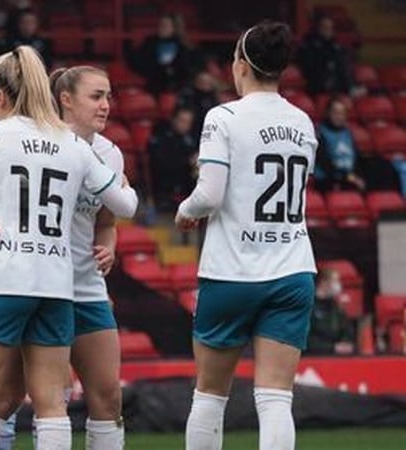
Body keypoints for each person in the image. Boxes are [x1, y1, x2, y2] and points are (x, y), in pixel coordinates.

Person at [0, 45, 138, 450]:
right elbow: (125, 205)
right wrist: (124, 190)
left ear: (1, 96)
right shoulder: (73, 144)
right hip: (57, 284)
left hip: (4, 279)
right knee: (50, 403)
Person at [174, 21, 318, 450]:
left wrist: (185, 211)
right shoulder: (304, 121)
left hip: (232, 271)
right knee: (275, 398)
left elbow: (210, 194)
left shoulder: (223, 117)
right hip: (292, 270)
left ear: (239, 64)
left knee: (210, 395)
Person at [126, 13, 199, 94]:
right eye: (160, 25)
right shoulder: (150, 43)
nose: (161, 28)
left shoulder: (184, 46)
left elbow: (190, 68)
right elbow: (137, 61)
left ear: (174, 28)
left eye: (165, 25)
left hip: (178, 85)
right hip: (154, 82)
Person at [148, 106, 198, 212]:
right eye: (182, 121)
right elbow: (161, 165)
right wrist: (187, 162)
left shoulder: (189, 139)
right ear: (174, 119)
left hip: (187, 185)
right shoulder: (161, 136)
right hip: (165, 187)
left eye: (188, 122)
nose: (186, 126)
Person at [314, 97, 365, 192]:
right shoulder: (320, 133)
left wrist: (356, 175)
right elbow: (323, 162)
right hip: (328, 180)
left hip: (349, 178)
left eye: (342, 113)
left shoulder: (347, 133)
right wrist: (345, 176)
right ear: (328, 113)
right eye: (335, 113)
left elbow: (356, 158)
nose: (339, 116)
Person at [296, 15, 353, 95]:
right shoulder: (308, 46)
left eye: (330, 28)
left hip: (338, 88)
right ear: (318, 28)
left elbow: (342, 68)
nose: (328, 30)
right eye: (325, 27)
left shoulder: (337, 47)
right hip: (316, 87)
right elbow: (310, 68)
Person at [307, 269, 356, 355]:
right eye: (335, 281)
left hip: (335, 358)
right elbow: (308, 339)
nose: (338, 285)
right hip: (313, 357)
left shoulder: (336, 306)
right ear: (324, 282)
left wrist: (345, 343)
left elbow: (346, 330)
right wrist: (332, 347)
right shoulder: (309, 306)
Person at [177, 71, 220, 137]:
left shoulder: (213, 98)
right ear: (196, 82)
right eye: (202, 82)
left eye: (208, 83)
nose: (205, 86)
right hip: (192, 129)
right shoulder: (189, 95)